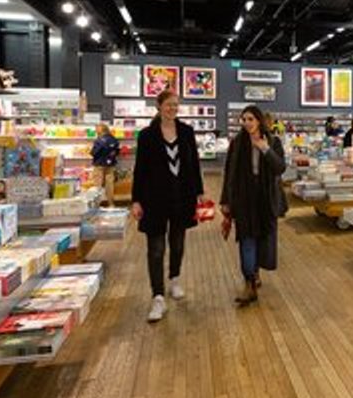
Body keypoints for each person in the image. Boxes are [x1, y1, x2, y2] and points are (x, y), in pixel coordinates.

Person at [131, 89, 206, 322]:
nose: (173, 109)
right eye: (169, 105)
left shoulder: (186, 132)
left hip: (182, 197)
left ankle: (174, 278)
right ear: (159, 106)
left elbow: (194, 164)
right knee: (155, 249)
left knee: (178, 242)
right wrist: (136, 200)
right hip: (154, 199)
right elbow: (140, 170)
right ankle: (158, 296)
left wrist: (200, 192)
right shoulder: (146, 135)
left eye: (176, 105)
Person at [220, 105, 287, 306]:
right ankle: (249, 283)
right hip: (244, 198)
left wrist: (264, 148)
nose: (247, 123)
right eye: (244, 119)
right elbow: (229, 172)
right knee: (247, 239)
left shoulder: (272, 142)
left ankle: (255, 272)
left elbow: (280, 168)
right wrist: (225, 201)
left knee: (262, 239)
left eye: (251, 119)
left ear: (259, 120)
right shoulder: (237, 143)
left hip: (265, 199)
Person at [89, 123, 120, 204]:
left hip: (99, 164)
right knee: (110, 185)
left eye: (96, 129)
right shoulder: (114, 139)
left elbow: (94, 152)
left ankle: (97, 204)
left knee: (97, 185)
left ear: (101, 130)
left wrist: (92, 152)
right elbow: (117, 151)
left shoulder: (99, 140)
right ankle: (111, 203)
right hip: (111, 164)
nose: (95, 130)